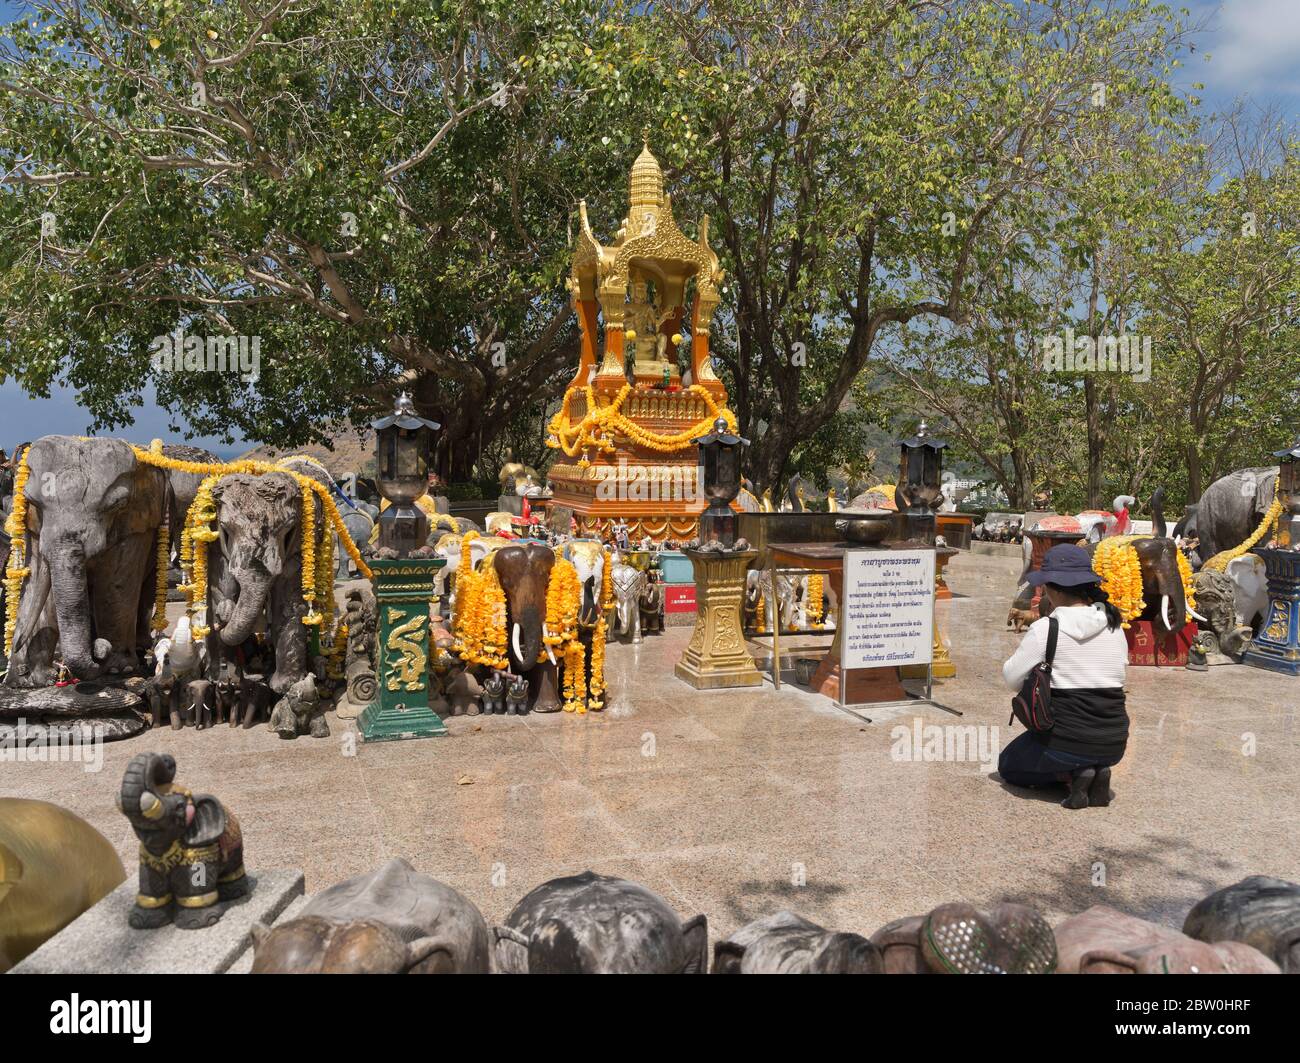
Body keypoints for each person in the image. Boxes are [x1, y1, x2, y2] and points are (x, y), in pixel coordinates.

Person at [999, 543, 1129, 809]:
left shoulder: (1047, 628)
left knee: (1008, 765)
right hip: (1114, 743)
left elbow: (1011, 679)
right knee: (1083, 748)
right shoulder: (1114, 625)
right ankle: (1094, 769)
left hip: (1066, 740)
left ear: (1053, 588)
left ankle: (1071, 773)